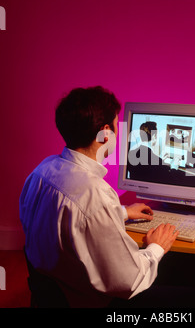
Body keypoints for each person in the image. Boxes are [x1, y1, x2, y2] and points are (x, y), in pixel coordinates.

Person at [19, 86, 178, 308]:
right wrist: (156, 248)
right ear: (105, 134)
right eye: (116, 126)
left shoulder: (41, 172)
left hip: (53, 294)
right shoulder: (95, 194)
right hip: (92, 301)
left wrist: (120, 212)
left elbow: (67, 221)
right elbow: (129, 281)